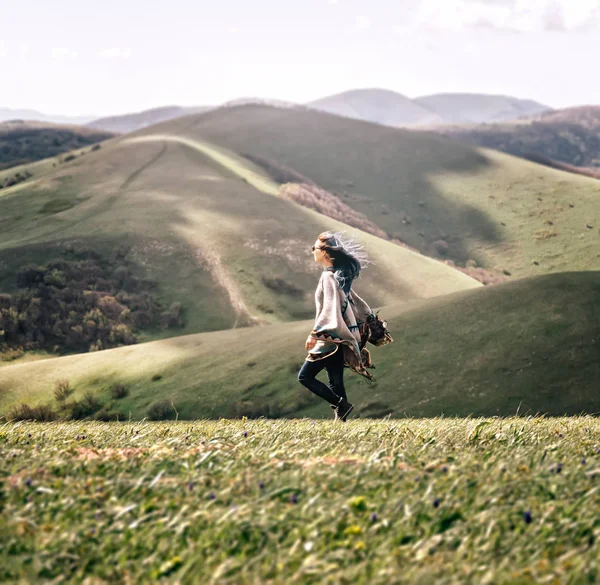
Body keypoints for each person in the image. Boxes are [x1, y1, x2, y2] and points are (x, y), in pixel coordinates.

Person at [298, 231, 377, 422]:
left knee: (305, 377)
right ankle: (341, 421)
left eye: (314, 248)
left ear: (325, 253)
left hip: (330, 337)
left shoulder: (328, 277)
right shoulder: (336, 276)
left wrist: (315, 334)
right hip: (338, 337)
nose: (312, 251)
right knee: (335, 381)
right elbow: (349, 303)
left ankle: (341, 405)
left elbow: (331, 308)